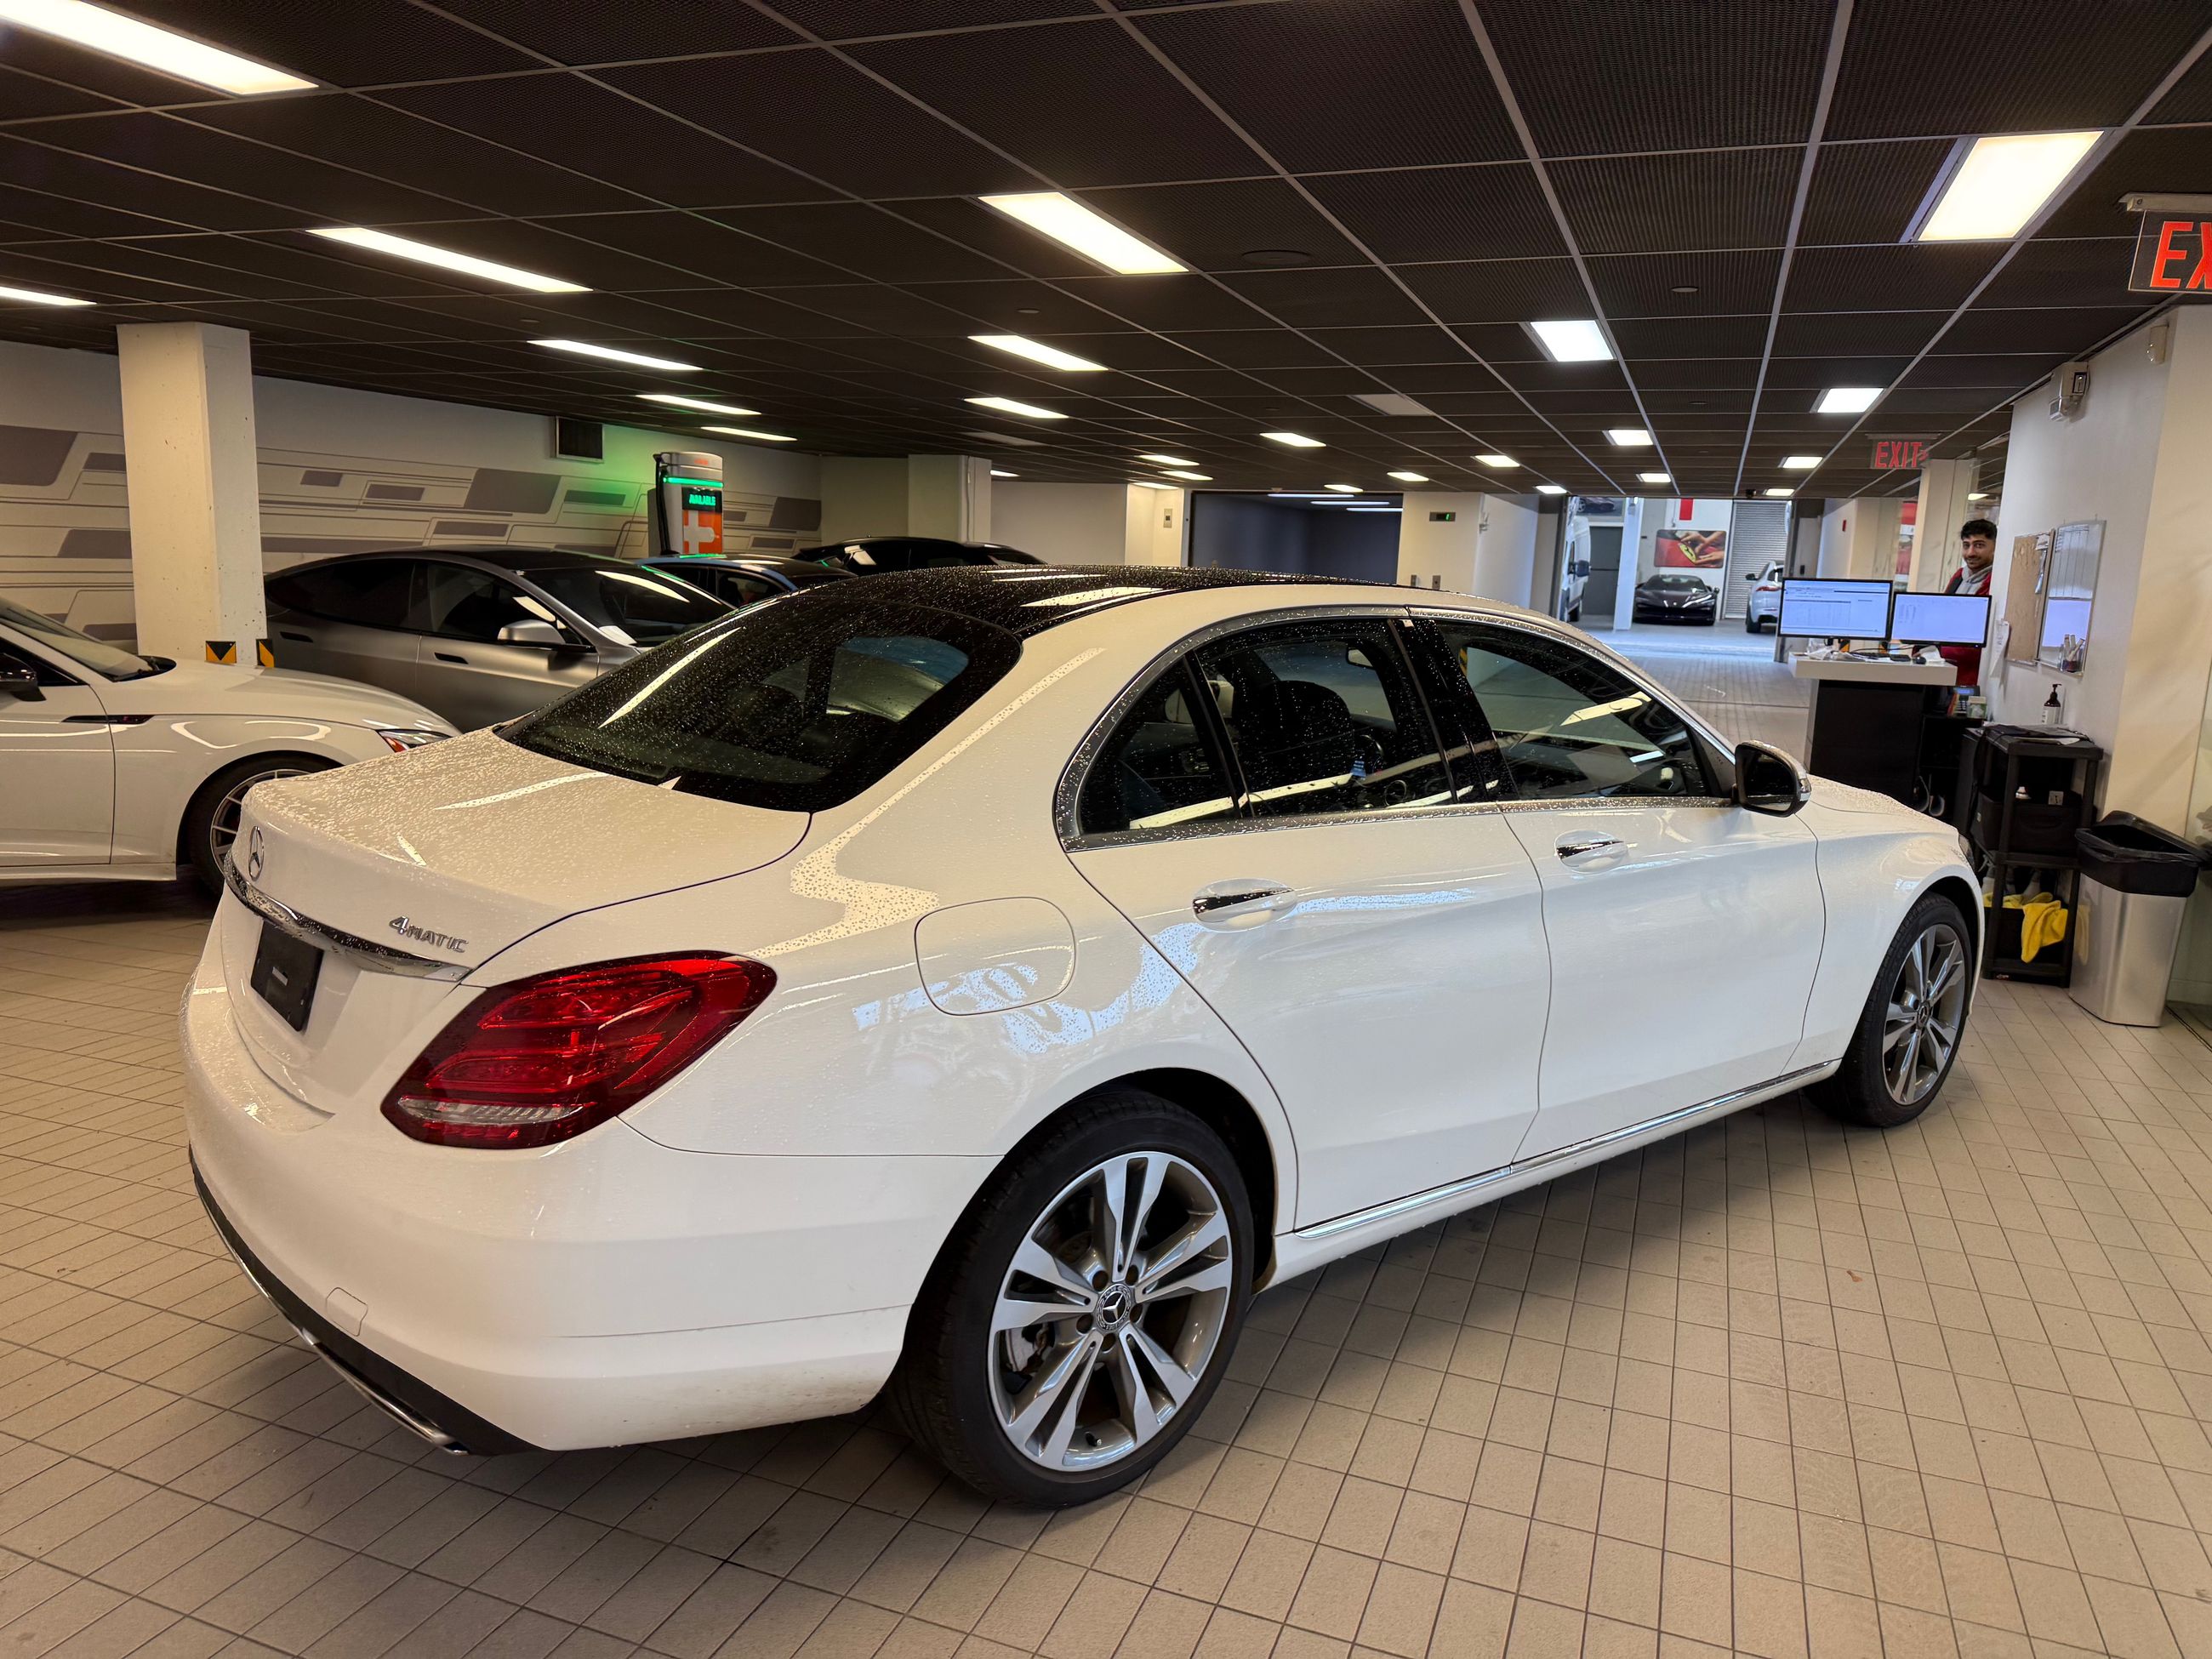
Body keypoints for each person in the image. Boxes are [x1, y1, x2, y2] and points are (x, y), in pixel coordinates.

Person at [1938, 516, 1997, 687]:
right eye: (1966, 545)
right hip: (1946, 669)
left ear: (1995, 547)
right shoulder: (1959, 576)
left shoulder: (1996, 583)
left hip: (1972, 675)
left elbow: (1981, 637)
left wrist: (1938, 650)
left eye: (1979, 545)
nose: (1970, 553)